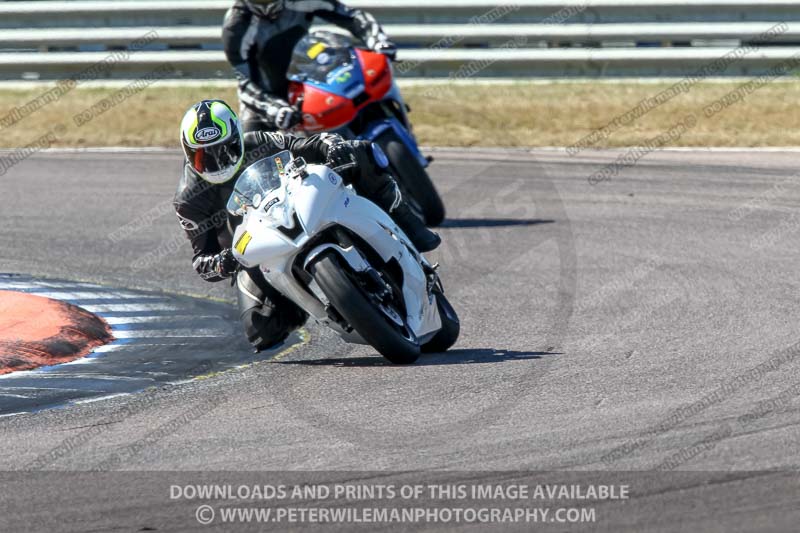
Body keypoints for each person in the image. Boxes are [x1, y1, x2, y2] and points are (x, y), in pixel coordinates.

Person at [174, 99, 439, 351]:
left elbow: (311, 144)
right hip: (256, 248)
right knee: (261, 330)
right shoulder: (188, 200)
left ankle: (410, 225)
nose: (216, 163)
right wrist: (225, 261)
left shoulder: (260, 141)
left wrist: (333, 145)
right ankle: (318, 301)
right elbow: (202, 262)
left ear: (237, 139)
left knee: (360, 150)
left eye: (225, 151)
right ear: (187, 153)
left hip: (297, 206)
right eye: (203, 158)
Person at [223, 0, 396, 131]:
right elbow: (245, 83)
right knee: (250, 147)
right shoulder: (236, 26)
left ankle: (403, 130)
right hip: (268, 96)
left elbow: (352, 16)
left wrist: (378, 41)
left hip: (309, 79)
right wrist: (275, 108)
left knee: (371, 74)